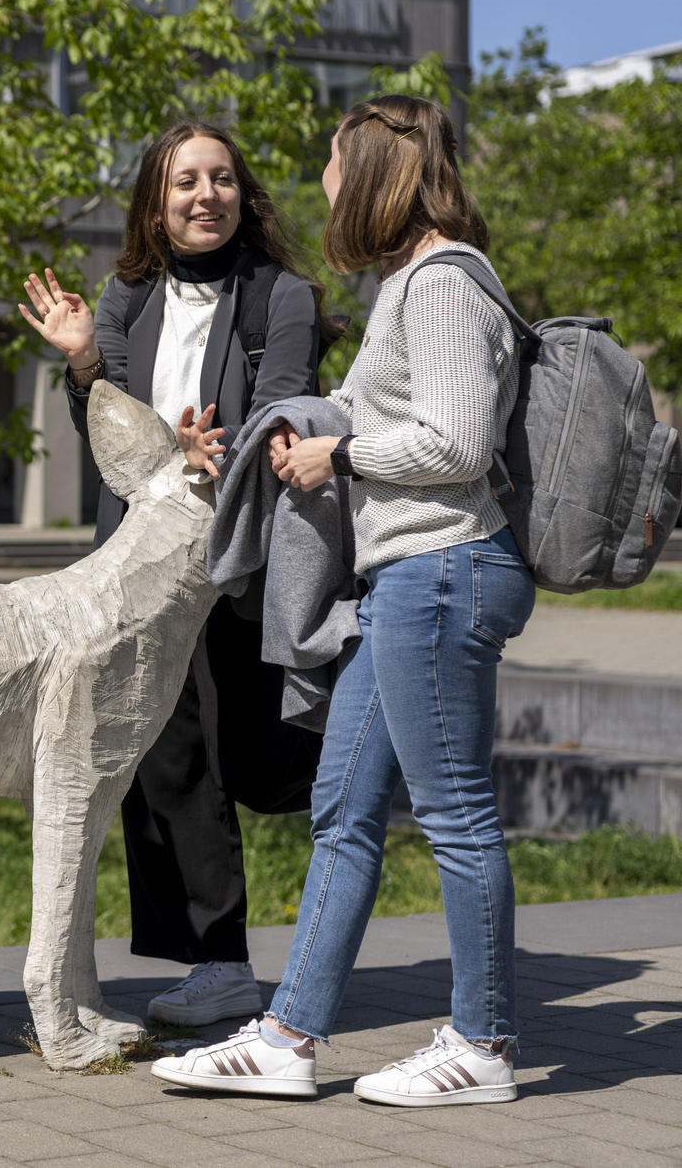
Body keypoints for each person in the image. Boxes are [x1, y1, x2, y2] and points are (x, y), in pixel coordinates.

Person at [154, 95, 532, 1106]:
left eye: (331, 158)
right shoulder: (402, 283)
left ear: (371, 168)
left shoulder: (444, 281)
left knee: (451, 814)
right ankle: (285, 1036)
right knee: (341, 808)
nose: (321, 177)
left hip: (443, 573)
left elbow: (454, 446)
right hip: (404, 578)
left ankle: (483, 1043)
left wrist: (339, 452)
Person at [19, 123, 327, 1028]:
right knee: (165, 758)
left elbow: (282, 407)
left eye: (222, 178)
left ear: (243, 193)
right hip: (139, 573)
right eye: (187, 180)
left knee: (256, 754)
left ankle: (300, 945)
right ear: (157, 200)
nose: (207, 195)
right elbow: (106, 422)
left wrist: (200, 459)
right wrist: (81, 362)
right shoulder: (123, 297)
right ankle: (216, 960)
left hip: (237, 557)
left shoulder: (284, 295)